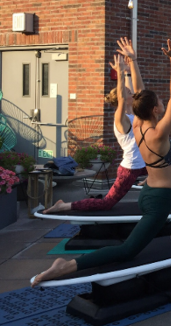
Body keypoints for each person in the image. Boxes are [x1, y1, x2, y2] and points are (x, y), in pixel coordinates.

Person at [32, 35, 171, 286]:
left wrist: (133, 62)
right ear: (155, 110)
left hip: (150, 191)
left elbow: (140, 93)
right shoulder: (157, 133)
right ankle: (65, 266)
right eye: (160, 103)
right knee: (127, 251)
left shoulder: (139, 124)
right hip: (158, 200)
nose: (164, 103)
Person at [44, 38, 147, 214]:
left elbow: (142, 92)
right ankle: (64, 205)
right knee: (107, 203)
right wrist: (121, 74)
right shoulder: (121, 118)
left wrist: (133, 62)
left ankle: (158, 184)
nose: (132, 94)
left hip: (146, 163)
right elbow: (123, 96)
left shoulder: (136, 114)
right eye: (129, 92)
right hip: (130, 167)